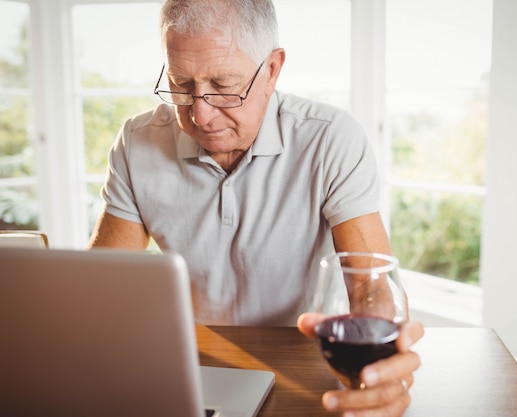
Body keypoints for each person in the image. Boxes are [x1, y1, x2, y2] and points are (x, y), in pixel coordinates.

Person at [87, 0, 424, 415]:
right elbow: (102, 287)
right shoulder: (138, 142)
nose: (200, 114)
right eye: (181, 84)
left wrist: (377, 361)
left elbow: (371, 284)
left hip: (301, 362)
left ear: (271, 70)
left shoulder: (331, 139)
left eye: (224, 85)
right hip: (192, 365)